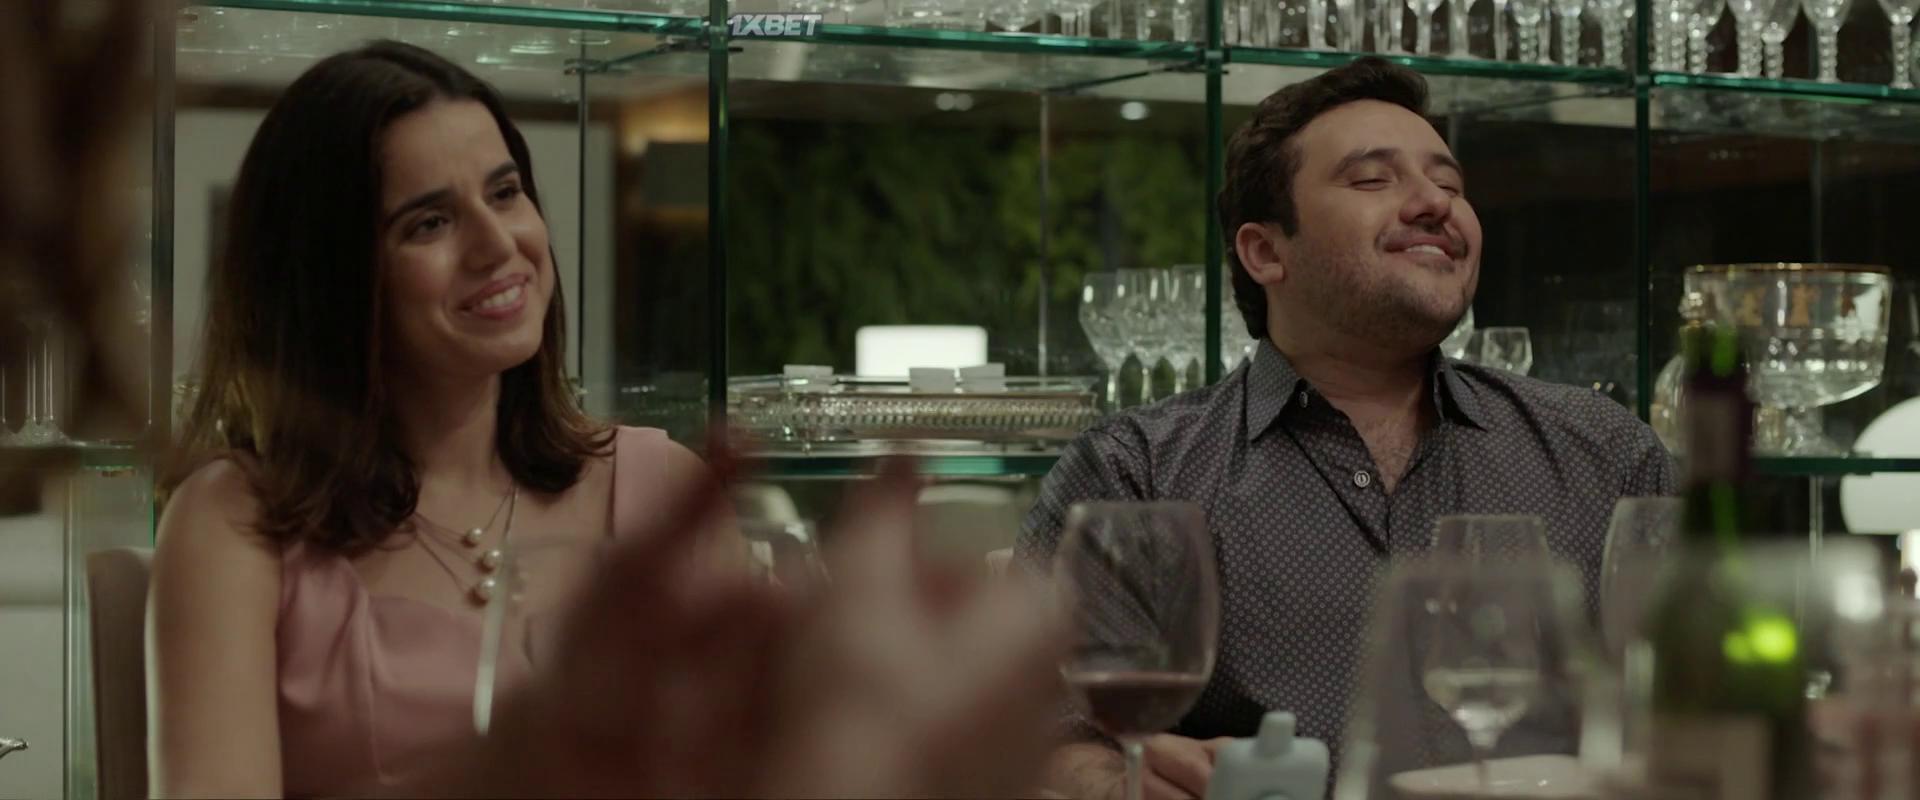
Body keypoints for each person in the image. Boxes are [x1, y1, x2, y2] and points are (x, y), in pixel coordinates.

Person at [147, 40, 1066, 799]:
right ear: (329, 277)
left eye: (506, 192)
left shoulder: (660, 486)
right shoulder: (233, 524)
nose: (499, 244)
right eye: (428, 223)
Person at [1021, 57, 1674, 800]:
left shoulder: (1606, 455)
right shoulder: (1136, 473)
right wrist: (1116, 784)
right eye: (1372, 179)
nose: (1433, 203)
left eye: (1451, 184)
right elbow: (1038, 733)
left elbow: (1704, 707)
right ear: (1266, 252)